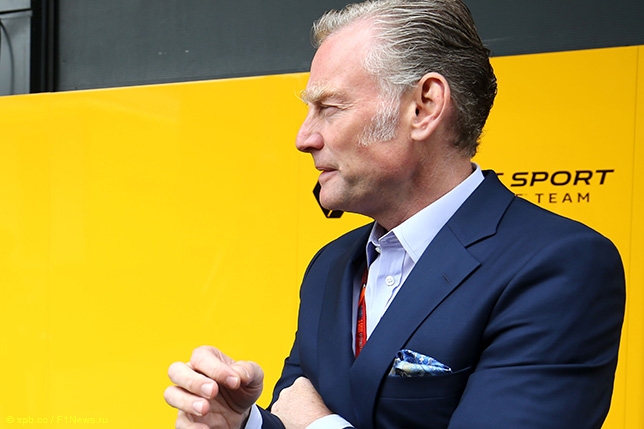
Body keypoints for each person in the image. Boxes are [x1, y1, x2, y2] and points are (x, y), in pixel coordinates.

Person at [164, 0, 626, 427]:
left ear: (424, 107)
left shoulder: (559, 265)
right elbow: (296, 410)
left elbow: (309, 416)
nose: (304, 138)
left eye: (329, 107)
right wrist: (243, 422)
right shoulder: (330, 266)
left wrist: (318, 425)